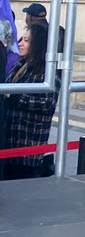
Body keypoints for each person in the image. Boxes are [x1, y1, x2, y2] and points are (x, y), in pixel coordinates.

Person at [1, 24, 57, 180]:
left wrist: (13, 96)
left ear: (37, 44)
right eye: (21, 39)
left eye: (26, 40)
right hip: (11, 141)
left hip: (28, 145)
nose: (20, 43)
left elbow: (47, 103)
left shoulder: (46, 70)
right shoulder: (19, 64)